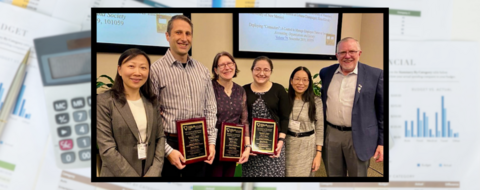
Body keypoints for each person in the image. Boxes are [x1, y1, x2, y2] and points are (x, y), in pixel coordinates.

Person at [150, 15, 217, 177]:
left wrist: (211, 142)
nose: (184, 38)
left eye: (188, 34)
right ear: (167, 36)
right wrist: (167, 151)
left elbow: (210, 108)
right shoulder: (155, 71)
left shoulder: (202, 70)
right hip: (170, 145)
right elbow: (151, 116)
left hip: (199, 144)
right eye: (178, 32)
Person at [319, 37, 384, 177]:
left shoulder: (375, 75)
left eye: (352, 51)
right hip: (331, 134)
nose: (347, 56)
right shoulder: (326, 73)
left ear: (359, 53)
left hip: (360, 137)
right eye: (342, 52)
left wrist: (382, 143)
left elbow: (382, 112)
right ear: (337, 55)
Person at [97, 48, 165, 177]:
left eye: (143, 68)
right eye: (131, 66)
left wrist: (154, 172)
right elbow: (107, 149)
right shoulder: (104, 102)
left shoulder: (152, 101)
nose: (137, 72)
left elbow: (160, 138)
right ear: (119, 70)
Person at [242, 56, 292, 177]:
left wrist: (281, 141)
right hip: (251, 147)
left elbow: (285, 118)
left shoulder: (279, 90)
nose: (261, 73)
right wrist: (247, 144)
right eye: (257, 69)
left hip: (274, 147)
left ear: (271, 71)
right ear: (252, 70)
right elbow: (242, 120)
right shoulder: (243, 90)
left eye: (266, 70)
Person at [206, 51, 251, 177]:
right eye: (222, 65)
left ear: (235, 66)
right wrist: (211, 145)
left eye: (230, 63)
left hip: (232, 146)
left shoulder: (240, 90)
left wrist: (247, 147)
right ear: (216, 70)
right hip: (213, 146)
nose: (227, 67)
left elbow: (244, 121)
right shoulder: (210, 88)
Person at [285, 66, 324, 177]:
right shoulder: (284, 99)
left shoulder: (316, 101)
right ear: (291, 81)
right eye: (297, 79)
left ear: (309, 82)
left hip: (307, 146)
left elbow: (320, 128)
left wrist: (318, 154)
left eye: (305, 80)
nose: (300, 83)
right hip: (288, 145)